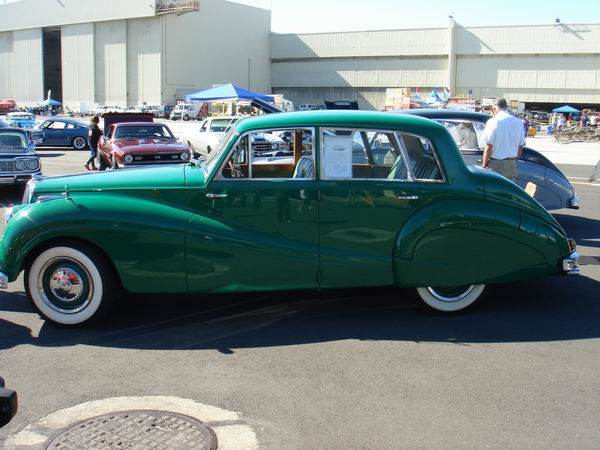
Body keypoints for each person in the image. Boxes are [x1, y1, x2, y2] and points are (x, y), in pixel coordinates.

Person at [481, 98, 525, 181]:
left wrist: (483, 166)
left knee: (493, 188)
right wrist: (514, 161)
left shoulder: (493, 121)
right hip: (511, 164)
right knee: (509, 188)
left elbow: (488, 146)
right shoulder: (518, 122)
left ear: (494, 108)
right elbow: (520, 146)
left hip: (496, 164)